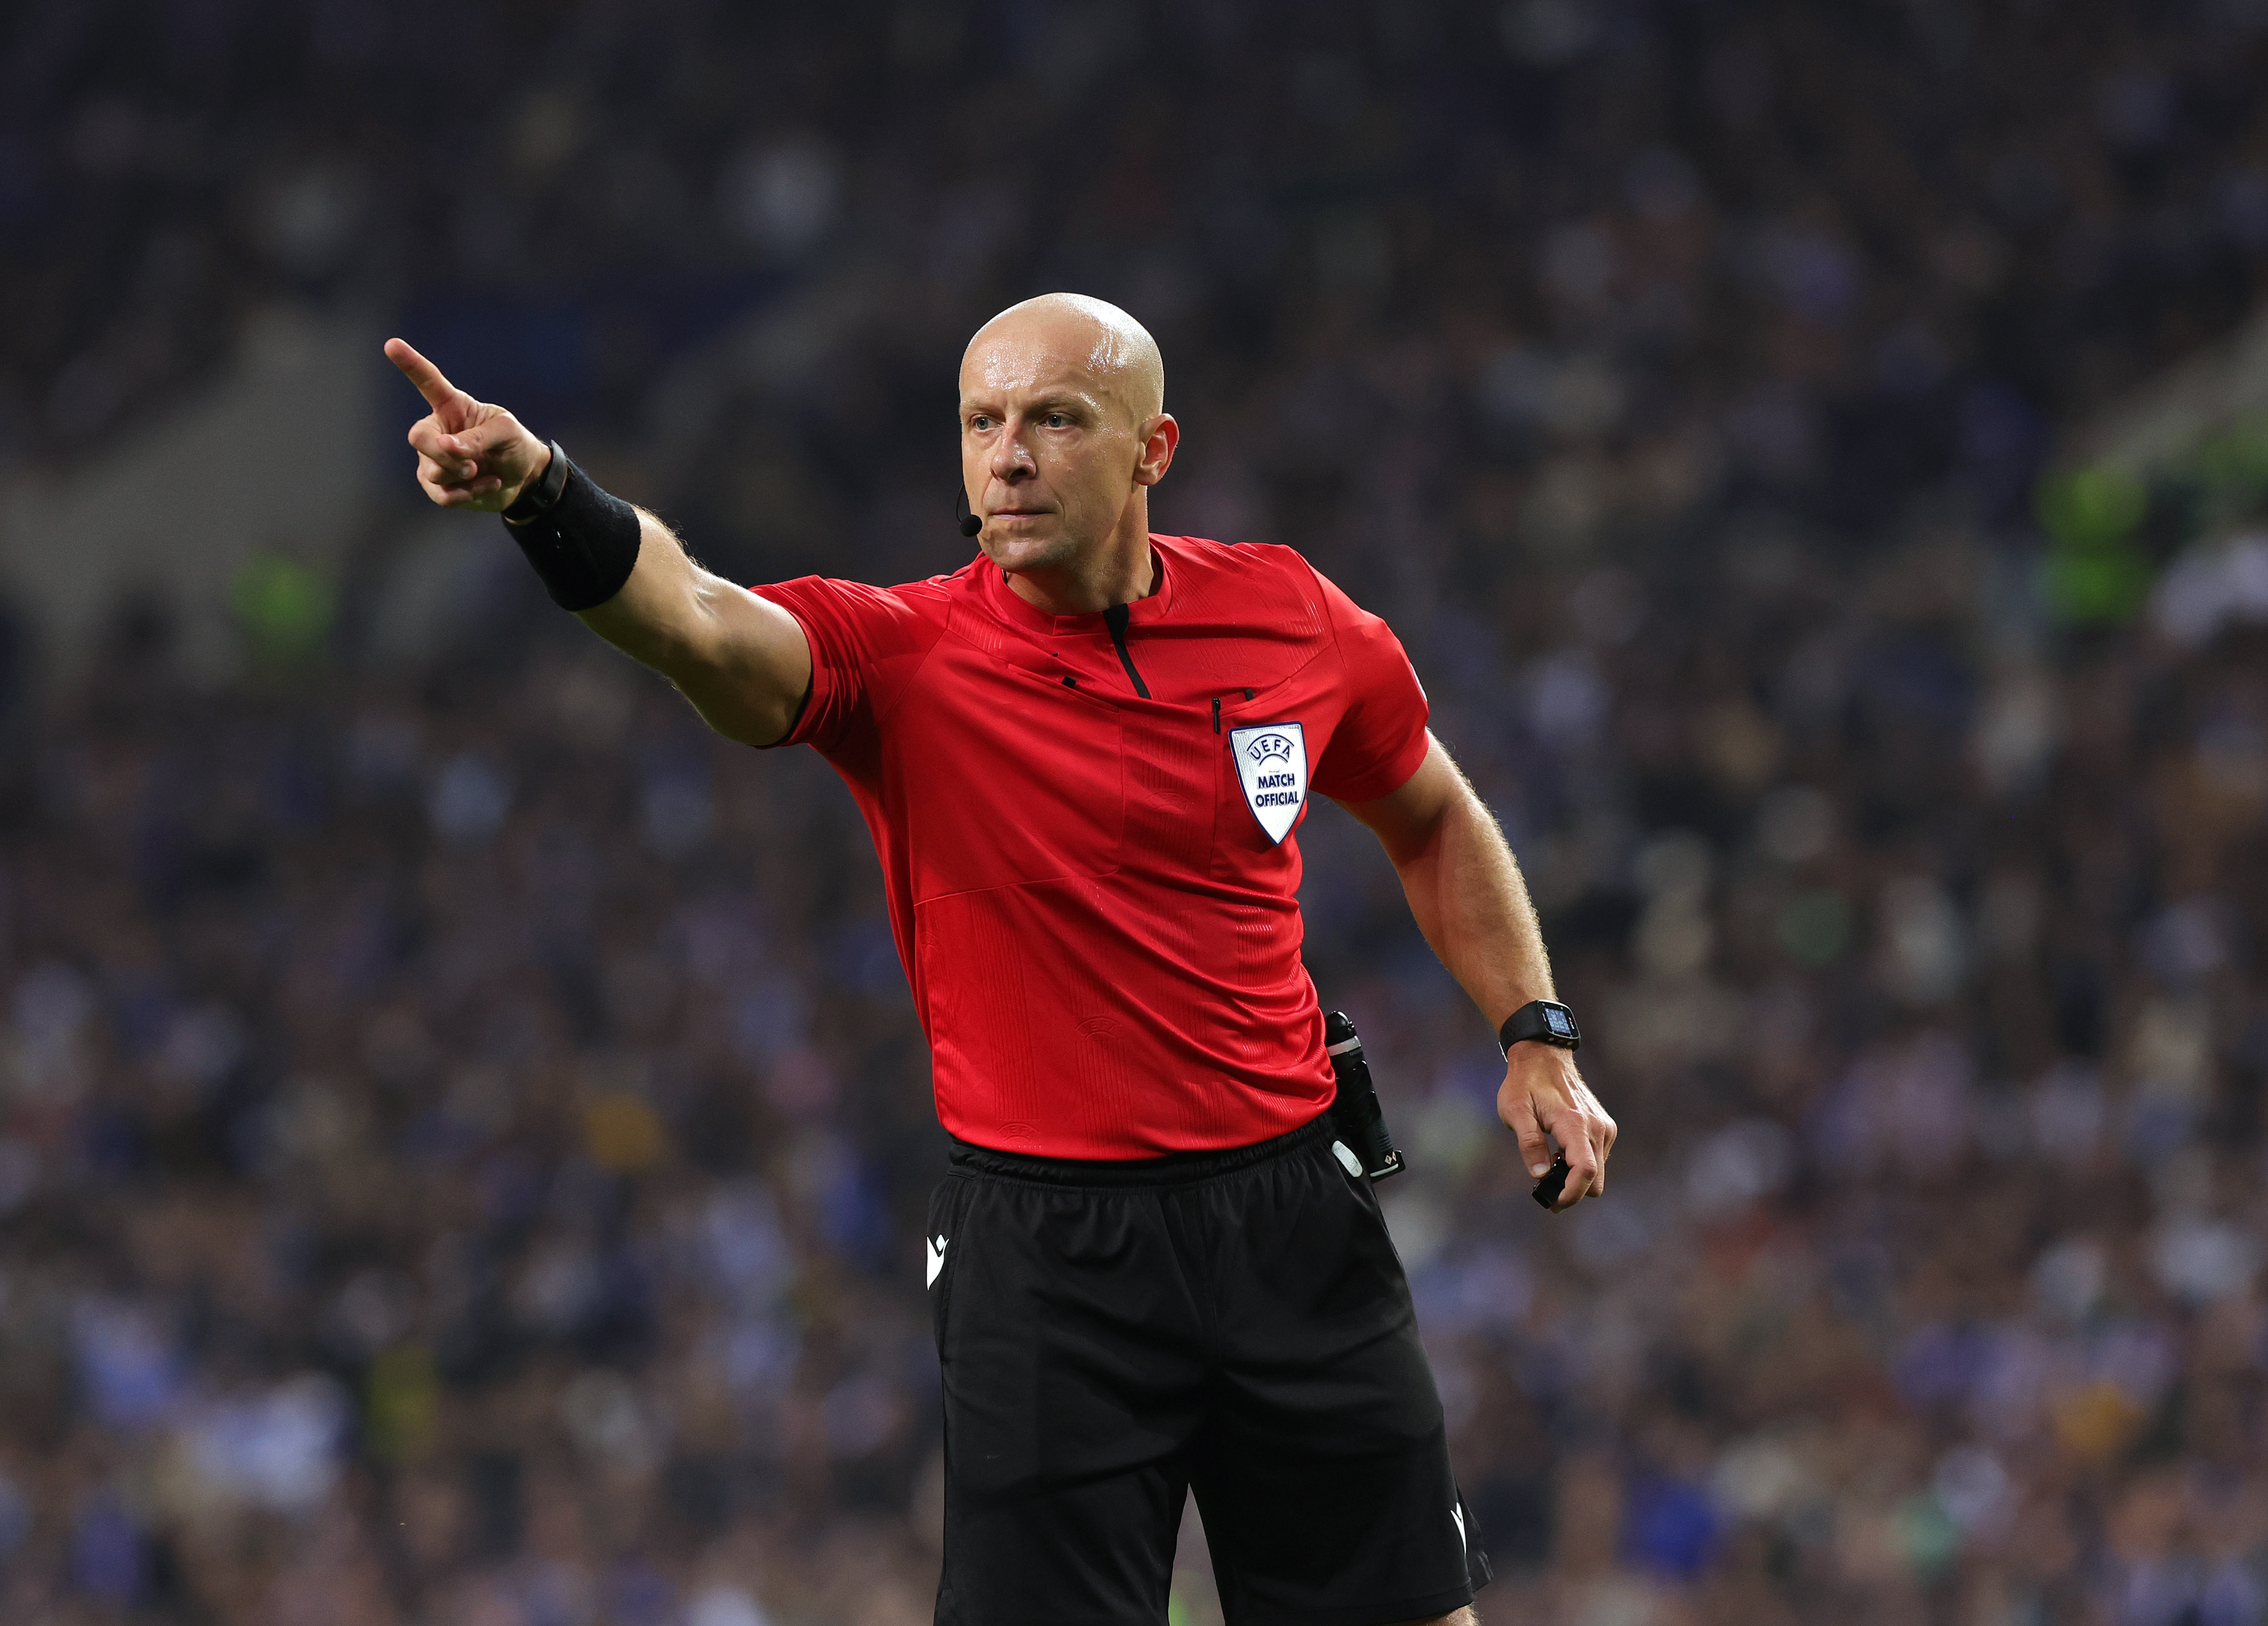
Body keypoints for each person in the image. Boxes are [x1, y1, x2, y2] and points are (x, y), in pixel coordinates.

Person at [384, 293, 1618, 1626]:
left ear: (1152, 450)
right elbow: (691, 617)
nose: (1007, 456)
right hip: (1049, 1259)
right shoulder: (902, 656)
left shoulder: (1290, 617)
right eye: (982, 423)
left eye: (1053, 420)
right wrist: (540, 494)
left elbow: (1431, 813)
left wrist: (1534, 1037)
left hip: (1291, 1224)